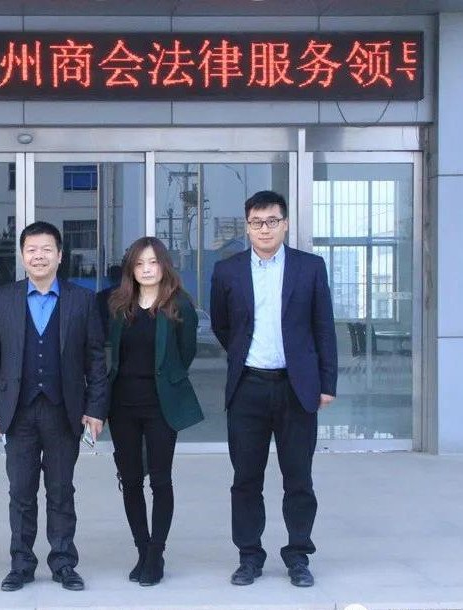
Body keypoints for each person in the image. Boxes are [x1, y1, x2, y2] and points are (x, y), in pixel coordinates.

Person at [210, 190, 337, 588]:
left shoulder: (309, 267)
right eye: (256, 223)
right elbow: (222, 325)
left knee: (298, 478)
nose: (264, 229)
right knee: (246, 478)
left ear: (285, 224)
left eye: (271, 221)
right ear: (247, 227)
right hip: (247, 387)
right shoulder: (227, 271)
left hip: (296, 388)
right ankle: (249, 556)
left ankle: (298, 555)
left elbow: (323, 327)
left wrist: (326, 382)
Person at [0, 221, 108, 592]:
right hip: (17, 411)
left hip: (63, 411)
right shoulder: (3, 298)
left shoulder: (81, 300)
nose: (39, 256)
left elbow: (96, 359)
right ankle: (21, 564)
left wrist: (95, 408)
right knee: (21, 492)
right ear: (22, 256)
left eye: (46, 249)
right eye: (32, 250)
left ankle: (64, 563)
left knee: (61, 490)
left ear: (60, 255)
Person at [106, 237, 204, 586]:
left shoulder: (179, 306)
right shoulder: (119, 305)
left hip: (162, 406)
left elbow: (186, 353)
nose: (146, 269)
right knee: (130, 479)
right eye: (139, 263)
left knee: (160, 480)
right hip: (122, 406)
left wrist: (167, 378)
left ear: (164, 265)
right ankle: (142, 550)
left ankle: (156, 553)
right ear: (130, 269)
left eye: (153, 262)